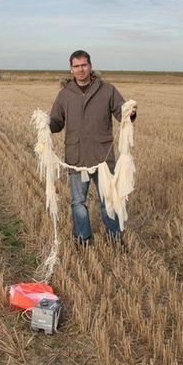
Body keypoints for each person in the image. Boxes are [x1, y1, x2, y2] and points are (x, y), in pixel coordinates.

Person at [48, 50, 137, 246]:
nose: (80, 69)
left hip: (103, 157)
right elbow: (57, 122)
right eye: (76, 66)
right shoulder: (65, 94)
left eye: (84, 65)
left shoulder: (107, 90)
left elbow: (121, 113)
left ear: (90, 66)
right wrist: (44, 125)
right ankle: (83, 238)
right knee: (78, 203)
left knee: (109, 200)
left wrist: (130, 113)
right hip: (76, 156)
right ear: (71, 69)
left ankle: (114, 238)